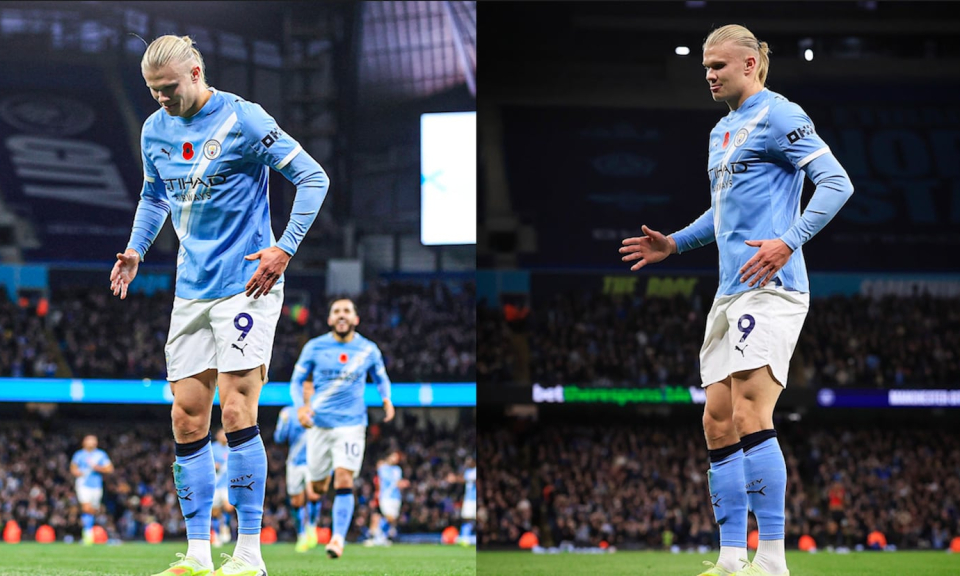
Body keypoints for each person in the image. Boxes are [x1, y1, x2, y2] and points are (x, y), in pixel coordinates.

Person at [619, 24, 854, 576]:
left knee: (751, 412)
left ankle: (771, 560)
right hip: (729, 292)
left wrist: (788, 240)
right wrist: (674, 242)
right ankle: (730, 559)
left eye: (718, 66)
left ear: (750, 64)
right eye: (705, 67)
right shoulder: (721, 131)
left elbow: (837, 183)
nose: (709, 75)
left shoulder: (781, 115)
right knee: (718, 421)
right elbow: (721, 214)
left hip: (772, 289)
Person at [110, 35, 329, 576]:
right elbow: (154, 194)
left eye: (168, 89)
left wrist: (284, 248)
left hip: (246, 285)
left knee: (236, 411)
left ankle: (249, 554)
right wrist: (137, 248)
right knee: (186, 418)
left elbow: (312, 177)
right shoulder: (154, 130)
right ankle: (199, 555)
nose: (161, 99)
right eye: (152, 92)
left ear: (196, 71)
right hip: (191, 289)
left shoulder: (244, 119)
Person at [291, 296, 394, 559]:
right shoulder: (315, 347)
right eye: (336, 310)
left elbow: (381, 377)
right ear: (329, 319)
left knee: (344, 479)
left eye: (347, 311)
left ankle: (337, 539)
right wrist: (300, 407)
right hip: (319, 427)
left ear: (355, 319)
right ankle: (317, 517)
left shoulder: (368, 349)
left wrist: (387, 400)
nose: (342, 314)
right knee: (317, 487)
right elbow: (296, 381)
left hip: (352, 425)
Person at [273, 404, 321, 553]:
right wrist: (284, 422)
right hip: (294, 462)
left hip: (314, 461)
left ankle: (311, 526)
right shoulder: (288, 412)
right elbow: (279, 438)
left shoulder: (317, 408)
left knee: (313, 495)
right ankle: (301, 535)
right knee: (296, 501)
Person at [69, 434, 114, 545]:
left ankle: (93, 531)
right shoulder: (79, 455)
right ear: (84, 442)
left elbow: (110, 469)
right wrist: (76, 472)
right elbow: (73, 468)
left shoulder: (100, 455)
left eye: (94, 441)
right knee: (86, 507)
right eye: (90, 441)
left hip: (96, 486)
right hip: (83, 484)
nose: (92, 443)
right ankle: (88, 535)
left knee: (93, 510)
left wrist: (96, 467)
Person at [365, 449, 408, 546]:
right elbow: (381, 482)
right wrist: (376, 494)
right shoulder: (383, 468)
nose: (396, 459)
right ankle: (377, 536)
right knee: (385, 516)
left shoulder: (397, 470)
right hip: (385, 496)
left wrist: (401, 484)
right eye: (394, 456)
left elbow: (397, 482)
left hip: (396, 497)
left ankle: (378, 536)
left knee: (390, 518)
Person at [210, 428, 234, 548]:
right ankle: (217, 534)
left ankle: (225, 526)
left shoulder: (232, 448)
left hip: (227, 484)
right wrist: (214, 466)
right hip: (215, 484)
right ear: (217, 436)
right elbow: (207, 463)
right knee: (215, 512)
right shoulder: (212, 448)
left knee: (229, 507)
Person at [447, 456, 477, 546]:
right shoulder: (468, 471)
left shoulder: (475, 471)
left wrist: (455, 478)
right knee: (467, 518)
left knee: (473, 518)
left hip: (474, 498)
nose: (467, 463)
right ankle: (465, 537)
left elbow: (468, 480)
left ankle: (469, 537)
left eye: (469, 461)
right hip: (468, 498)